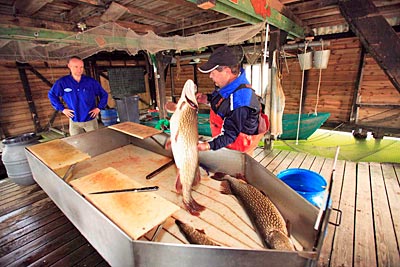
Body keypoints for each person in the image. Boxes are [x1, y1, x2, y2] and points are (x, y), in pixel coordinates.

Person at [196, 45, 269, 155]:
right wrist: (206, 99)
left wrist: (207, 145)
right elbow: (223, 102)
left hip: (237, 149)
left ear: (226, 71)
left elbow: (229, 135)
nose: (210, 76)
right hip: (224, 142)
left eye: (213, 72)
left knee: (235, 171)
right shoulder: (227, 85)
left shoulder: (241, 101)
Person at [48, 56, 109, 136]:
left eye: (81, 67)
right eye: (76, 67)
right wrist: (62, 109)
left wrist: (99, 108)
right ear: (69, 66)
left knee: (94, 140)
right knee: (76, 143)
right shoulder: (62, 82)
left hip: (90, 119)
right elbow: (52, 95)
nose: (79, 69)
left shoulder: (90, 82)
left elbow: (104, 94)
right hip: (74, 120)